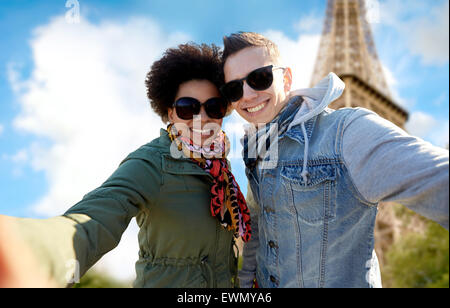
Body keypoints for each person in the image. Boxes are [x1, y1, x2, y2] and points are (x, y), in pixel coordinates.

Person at [0, 42, 251, 288]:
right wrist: (25, 250)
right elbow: (94, 220)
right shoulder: (151, 163)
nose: (202, 118)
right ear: (170, 112)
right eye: (188, 108)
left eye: (214, 107)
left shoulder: (220, 170)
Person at [220, 32, 449, 288]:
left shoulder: (345, 132)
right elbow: (260, 236)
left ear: (285, 79)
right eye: (234, 88)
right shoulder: (258, 152)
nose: (248, 95)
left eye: (259, 78)